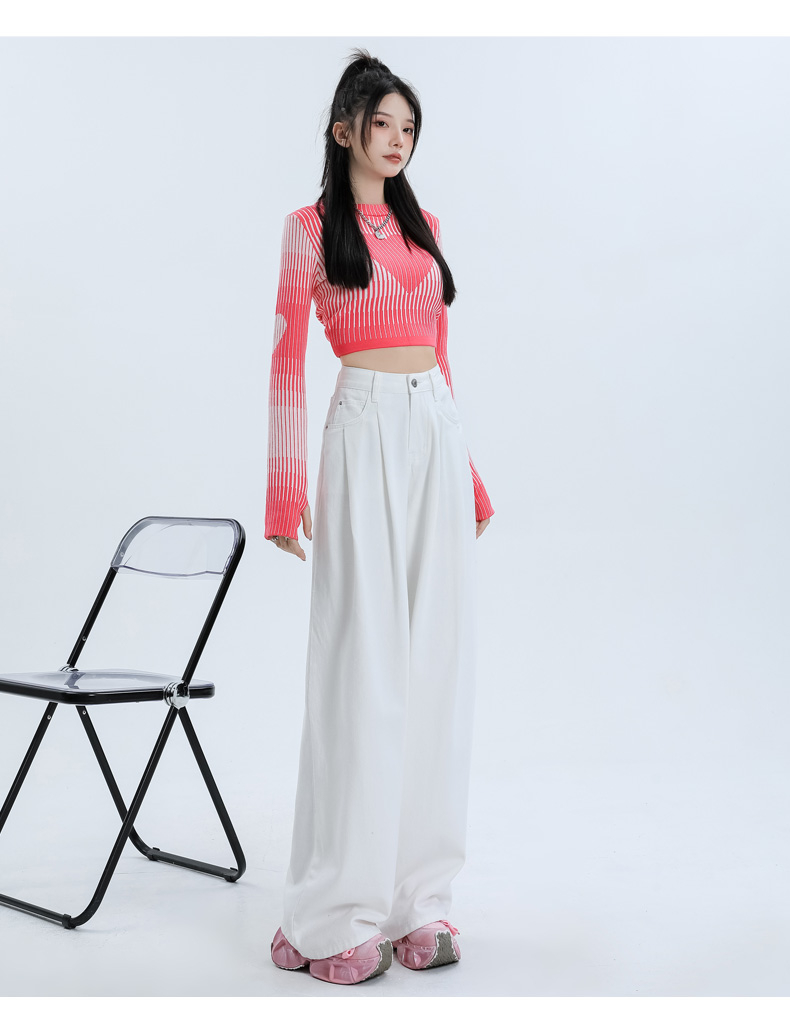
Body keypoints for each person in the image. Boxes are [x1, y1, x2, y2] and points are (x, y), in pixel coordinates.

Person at [266, 48, 495, 986]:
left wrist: (468, 473)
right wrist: (283, 488)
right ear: (343, 130)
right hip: (359, 432)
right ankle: (331, 913)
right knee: (360, 668)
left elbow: (441, 355)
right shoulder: (307, 231)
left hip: (433, 431)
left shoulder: (425, 228)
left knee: (438, 661)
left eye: (409, 127)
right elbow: (287, 357)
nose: (398, 140)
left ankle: (417, 902)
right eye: (382, 124)